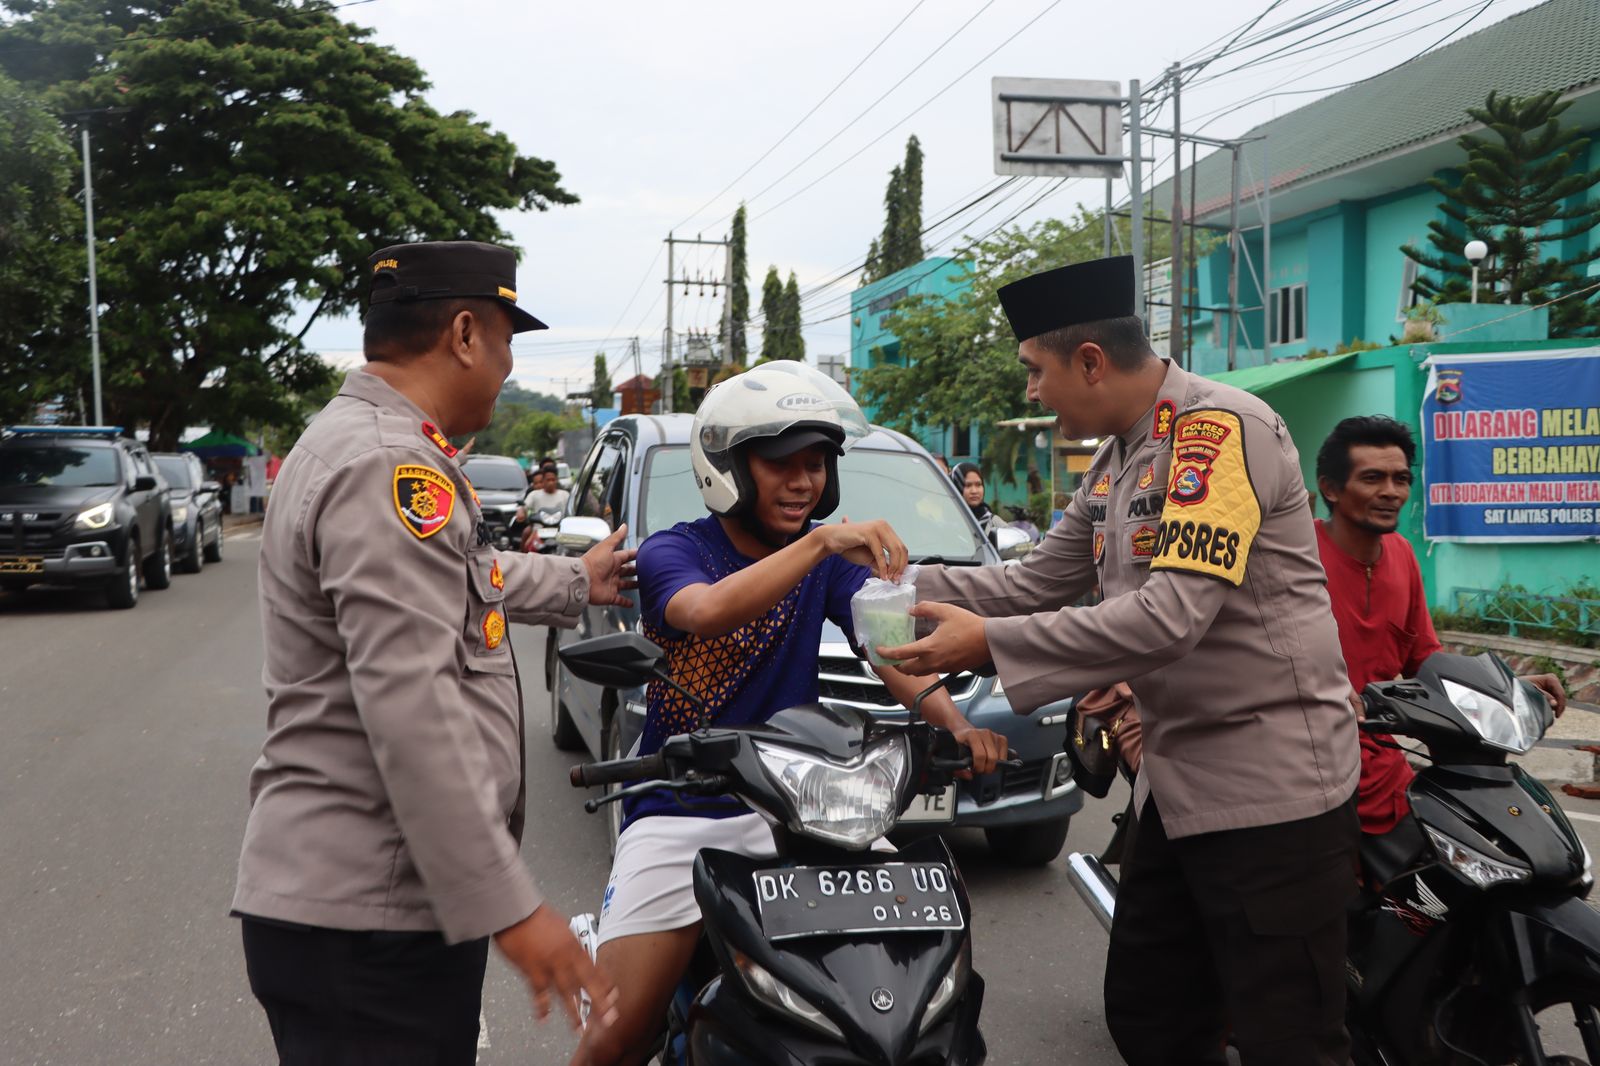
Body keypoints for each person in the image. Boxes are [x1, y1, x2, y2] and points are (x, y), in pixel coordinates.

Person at [878, 255, 1361, 1066]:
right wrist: (882, 581)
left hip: (1270, 793)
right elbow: (1032, 581)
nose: (1032, 391)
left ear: (1091, 361)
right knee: (1151, 1016)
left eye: (1036, 370)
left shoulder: (1217, 433)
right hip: (1175, 786)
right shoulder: (1117, 460)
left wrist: (987, 643)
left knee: (1290, 1041)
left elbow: (1170, 618)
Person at [234, 241, 630, 1064]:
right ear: (464, 334)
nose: (508, 365)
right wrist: (511, 906)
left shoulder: (363, 443)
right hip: (370, 923)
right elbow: (410, 701)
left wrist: (575, 578)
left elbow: (462, 576)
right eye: (507, 341)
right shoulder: (388, 464)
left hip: (358, 912)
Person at [571, 361, 1008, 1066]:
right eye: (781, 464)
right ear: (729, 469)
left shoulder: (828, 564)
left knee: (909, 975)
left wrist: (956, 724)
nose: (803, 482)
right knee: (616, 1038)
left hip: (805, 810)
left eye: (815, 465)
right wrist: (821, 542)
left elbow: (889, 649)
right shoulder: (675, 550)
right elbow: (704, 611)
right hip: (686, 806)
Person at [1314, 415, 1567, 838]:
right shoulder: (1298, 558)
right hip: (1314, 778)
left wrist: (1509, 688)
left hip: (1387, 771)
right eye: (1373, 478)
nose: (1391, 492)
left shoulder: (1401, 554)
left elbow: (1425, 664)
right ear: (1331, 488)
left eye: (1400, 479)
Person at [950, 460, 998, 538]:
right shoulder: (948, 521)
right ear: (957, 488)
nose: (974, 491)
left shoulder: (992, 522)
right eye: (968, 485)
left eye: (978, 484)